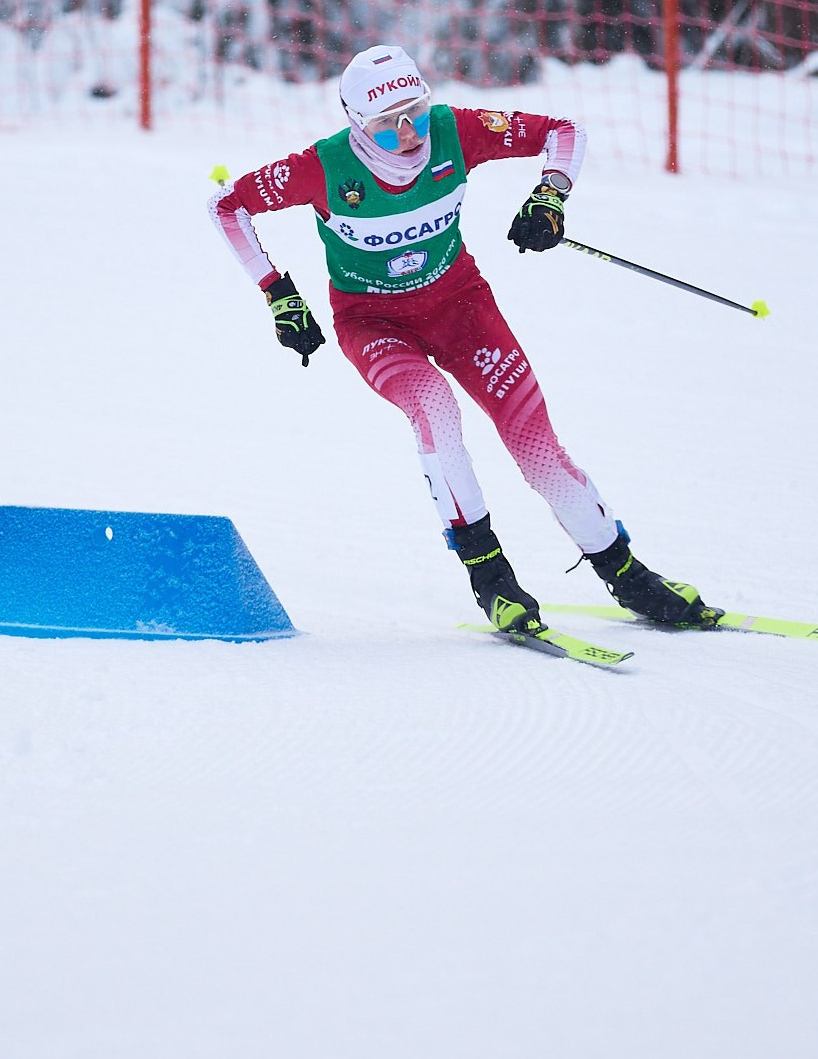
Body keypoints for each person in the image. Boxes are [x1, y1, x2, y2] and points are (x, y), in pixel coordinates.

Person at [208, 44, 718, 635]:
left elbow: (564, 131)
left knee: (537, 446)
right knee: (436, 409)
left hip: (461, 310)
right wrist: (277, 292)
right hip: (375, 325)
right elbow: (227, 205)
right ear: (356, 123)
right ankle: (491, 578)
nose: (409, 134)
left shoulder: (456, 131)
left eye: (416, 113)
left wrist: (549, 197)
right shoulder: (322, 167)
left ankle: (627, 575)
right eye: (388, 124)